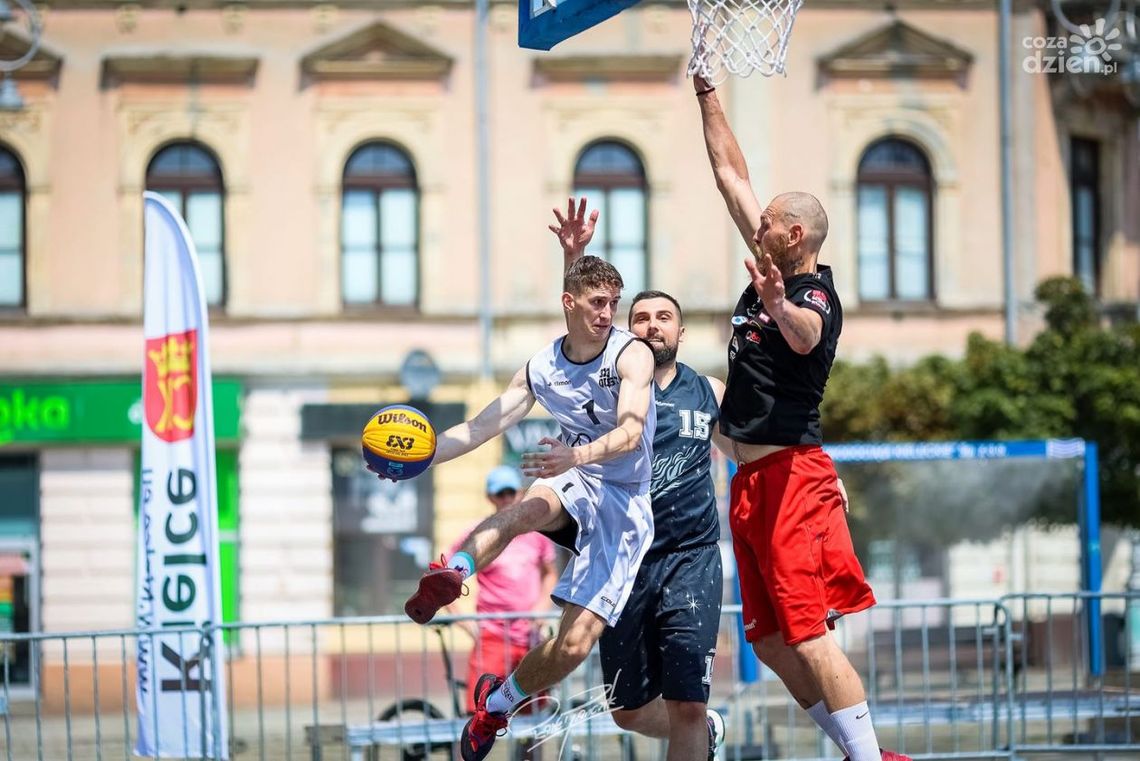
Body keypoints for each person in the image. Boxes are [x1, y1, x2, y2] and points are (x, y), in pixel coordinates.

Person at [693, 73, 911, 761]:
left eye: (765, 225)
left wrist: (779, 304)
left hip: (791, 478)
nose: (754, 229)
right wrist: (707, 96)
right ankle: (857, 749)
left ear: (793, 234)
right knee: (764, 637)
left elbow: (806, 335)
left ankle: (868, 758)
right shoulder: (769, 265)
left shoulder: (813, 293)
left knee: (809, 630)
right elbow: (731, 175)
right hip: (750, 483)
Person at [400, 254, 657, 761]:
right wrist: (422, 457)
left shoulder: (632, 356)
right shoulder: (541, 368)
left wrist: (574, 453)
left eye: (613, 304)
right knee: (523, 512)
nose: (608, 313)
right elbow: (478, 429)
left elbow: (630, 431)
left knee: (574, 645)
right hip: (576, 476)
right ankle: (453, 571)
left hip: (624, 502)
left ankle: (498, 703)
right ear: (569, 302)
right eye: (597, 302)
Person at [550, 198, 728, 760]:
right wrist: (575, 257)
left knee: (687, 704)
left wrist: (819, 477)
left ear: (680, 329)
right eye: (641, 318)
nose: (652, 325)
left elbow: (755, 455)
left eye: (663, 317)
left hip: (691, 558)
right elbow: (579, 332)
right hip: (625, 557)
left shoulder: (711, 391)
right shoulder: (611, 387)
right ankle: (708, 734)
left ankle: (699, 727)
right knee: (626, 710)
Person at [444, 465, 558, 714]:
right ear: (490, 497)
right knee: (480, 714)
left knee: (532, 717)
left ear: (520, 493)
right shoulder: (478, 534)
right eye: (500, 494)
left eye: (510, 493)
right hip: (492, 637)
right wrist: (465, 622)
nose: (506, 499)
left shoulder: (537, 535)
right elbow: (445, 576)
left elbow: (550, 574)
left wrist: (541, 609)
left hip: (530, 638)